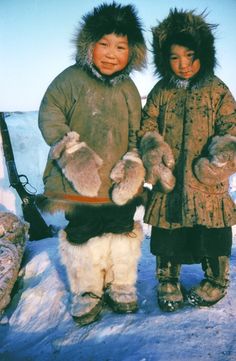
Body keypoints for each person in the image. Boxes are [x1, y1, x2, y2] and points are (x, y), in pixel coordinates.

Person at [37, 2, 147, 325]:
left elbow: (136, 130)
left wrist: (132, 160)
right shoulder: (69, 80)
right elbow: (50, 114)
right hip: (77, 182)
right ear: (89, 45)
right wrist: (71, 152)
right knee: (83, 232)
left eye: (121, 47)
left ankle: (120, 284)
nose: (112, 54)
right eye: (104, 44)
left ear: (133, 52)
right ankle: (87, 289)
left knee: (121, 228)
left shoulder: (128, 88)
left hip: (116, 185)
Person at [138, 8, 236, 312]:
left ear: (203, 54)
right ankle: (167, 279)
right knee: (168, 233)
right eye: (175, 57)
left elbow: (231, 126)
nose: (183, 65)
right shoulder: (161, 91)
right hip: (170, 179)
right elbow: (147, 124)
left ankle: (216, 279)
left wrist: (219, 159)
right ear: (164, 59)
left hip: (207, 181)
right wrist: (154, 152)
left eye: (190, 56)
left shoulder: (217, 89)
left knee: (212, 232)